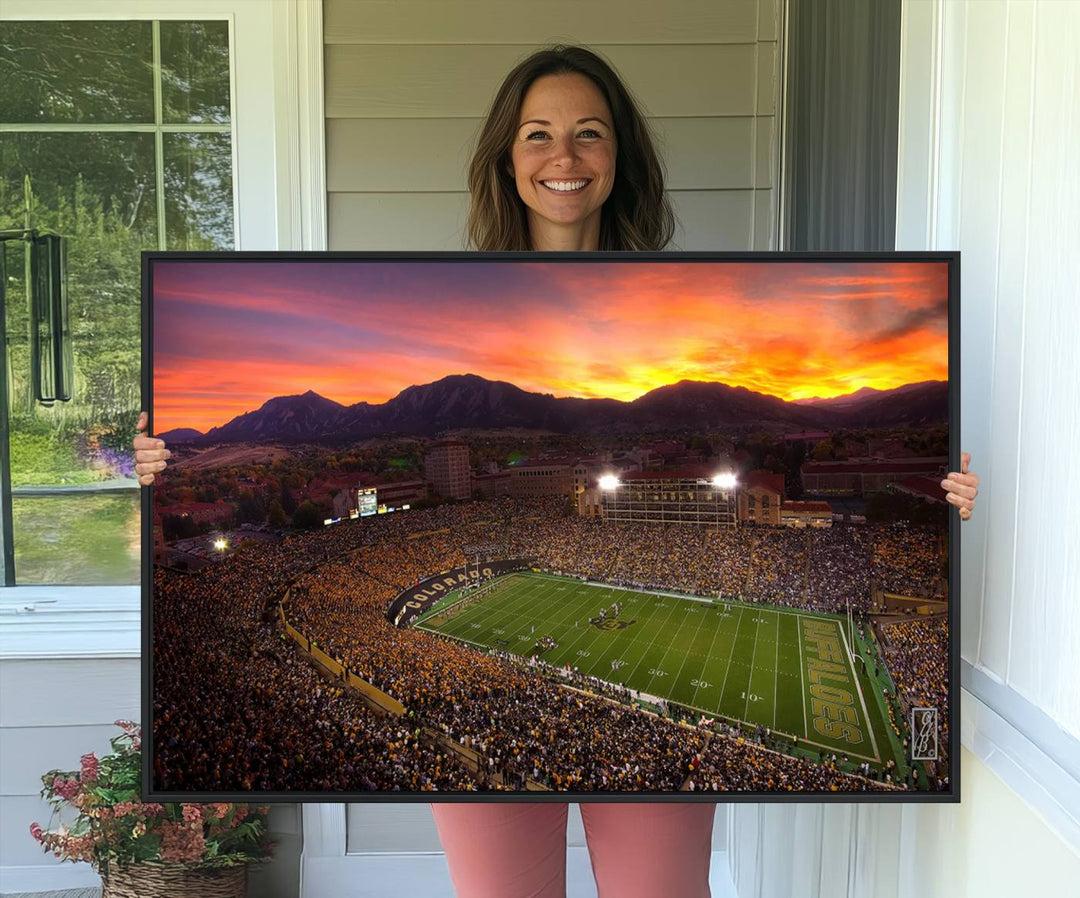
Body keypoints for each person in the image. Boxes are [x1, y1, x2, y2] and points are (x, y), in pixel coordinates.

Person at [134, 44, 979, 898]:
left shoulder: (680, 297)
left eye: (589, 134)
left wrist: (940, 498)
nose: (563, 157)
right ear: (507, 157)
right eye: (538, 134)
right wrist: (164, 465)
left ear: (620, 158)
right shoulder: (453, 303)